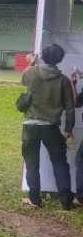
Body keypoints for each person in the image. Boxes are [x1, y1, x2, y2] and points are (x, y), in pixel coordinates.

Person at [21, 44, 75, 210]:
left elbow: (22, 79)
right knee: (60, 163)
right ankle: (66, 201)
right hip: (51, 128)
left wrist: (31, 62)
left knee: (31, 162)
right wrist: (68, 129)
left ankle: (34, 199)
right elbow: (70, 107)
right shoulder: (64, 80)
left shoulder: (31, 72)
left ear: (42, 56)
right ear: (60, 59)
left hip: (30, 126)